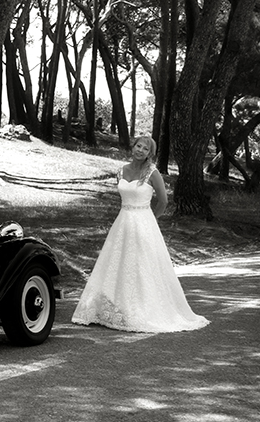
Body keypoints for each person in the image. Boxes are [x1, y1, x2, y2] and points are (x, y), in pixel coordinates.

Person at [71, 135, 209, 333]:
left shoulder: (153, 173)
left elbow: (163, 202)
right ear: (132, 147)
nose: (140, 150)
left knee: (139, 266)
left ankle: (140, 311)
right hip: (122, 222)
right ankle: (113, 308)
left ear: (150, 154)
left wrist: (149, 220)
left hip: (144, 223)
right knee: (117, 264)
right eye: (138, 146)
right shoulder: (121, 171)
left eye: (145, 149)